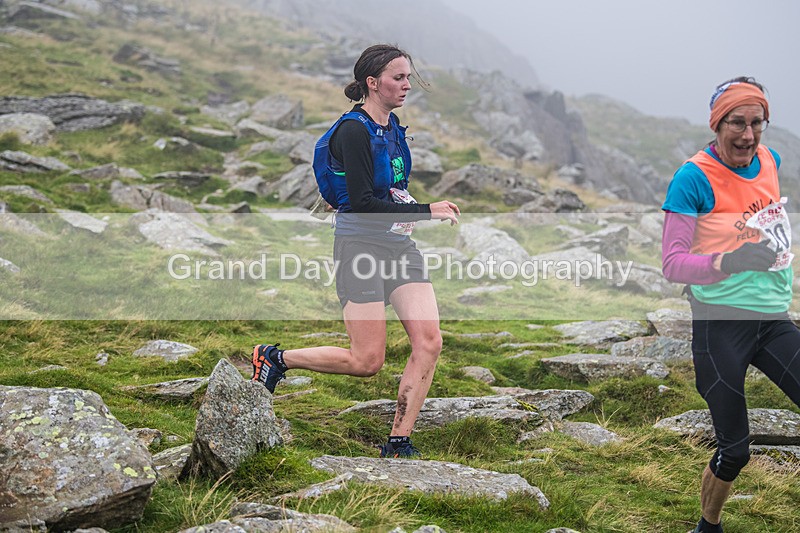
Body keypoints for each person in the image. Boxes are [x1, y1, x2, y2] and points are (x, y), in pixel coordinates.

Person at [251, 44, 460, 459]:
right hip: (359, 246)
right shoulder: (352, 130)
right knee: (367, 361)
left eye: (408, 77)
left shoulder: (393, 126)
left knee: (430, 342)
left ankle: (399, 441)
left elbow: (386, 189)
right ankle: (276, 358)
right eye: (398, 78)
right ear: (372, 82)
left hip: (398, 245)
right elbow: (364, 202)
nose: (406, 85)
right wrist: (426, 210)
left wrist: (408, 210)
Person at [661, 76, 800, 533]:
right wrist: (732, 260)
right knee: (735, 449)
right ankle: (708, 525)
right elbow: (673, 264)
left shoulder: (769, 159)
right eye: (737, 123)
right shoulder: (692, 178)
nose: (747, 135)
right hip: (721, 325)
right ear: (717, 123)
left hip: (774, 318)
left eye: (757, 123)